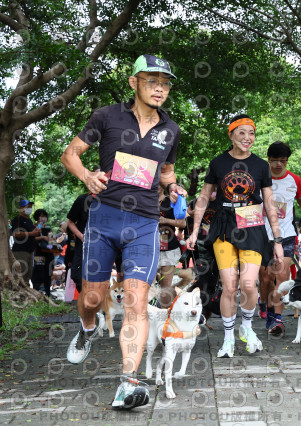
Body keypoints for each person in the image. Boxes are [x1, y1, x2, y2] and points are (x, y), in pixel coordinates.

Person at [61, 54, 185, 409]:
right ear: (134, 83)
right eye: (151, 81)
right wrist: (87, 176)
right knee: (94, 299)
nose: (159, 88)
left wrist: (174, 189)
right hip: (103, 219)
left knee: (135, 303)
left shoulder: (171, 130)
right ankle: (86, 329)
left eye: (165, 83)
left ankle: (128, 383)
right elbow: (70, 155)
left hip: (144, 223)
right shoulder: (106, 116)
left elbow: (166, 174)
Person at [186, 114, 284, 359]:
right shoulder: (218, 163)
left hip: (251, 224)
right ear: (231, 135)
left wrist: (278, 241)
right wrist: (195, 231)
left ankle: (247, 327)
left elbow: (270, 204)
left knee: (249, 284)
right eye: (241, 133)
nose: (247, 138)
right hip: (223, 225)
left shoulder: (261, 166)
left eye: (251, 133)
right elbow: (203, 198)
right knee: (229, 286)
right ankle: (228, 337)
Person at [258, 141, 301, 336]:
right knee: (266, 278)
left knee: (282, 276)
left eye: (283, 161)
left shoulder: (295, 180)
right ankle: (264, 303)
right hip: (262, 236)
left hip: (286, 236)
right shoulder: (259, 177)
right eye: (275, 161)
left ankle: (277, 319)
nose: (279, 165)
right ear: (269, 160)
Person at [157, 188, 186, 307]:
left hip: (169, 247)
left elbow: (183, 223)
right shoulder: (144, 199)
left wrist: (165, 220)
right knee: (147, 285)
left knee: (166, 288)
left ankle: (165, 318)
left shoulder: (171, 201)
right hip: (148, 247)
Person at [10, 199, 39, 285]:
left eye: (30, 207)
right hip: (20, 251)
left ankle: (26, 291)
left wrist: (36, 231)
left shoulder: (29, 220)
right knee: (20, 273)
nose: (29, 208)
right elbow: (16, 233)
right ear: (21, 208)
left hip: (30, 251)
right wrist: (31, 233)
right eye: (27, 207)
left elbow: (32, 234)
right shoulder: (18, 218)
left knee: (28, 274)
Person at [31, 209, 56, 297]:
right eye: (41, 216)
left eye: (45, 216)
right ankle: (36, 292)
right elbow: (32, 239)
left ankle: (47, 293)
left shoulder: (48, 228)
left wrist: (48, 244)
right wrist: (42, 237)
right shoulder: (34, 228)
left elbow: (52, 242)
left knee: (48, 274)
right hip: (39, 254)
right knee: (38, 273)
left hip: (49, 254)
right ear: (37, 217)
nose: (43, 218)